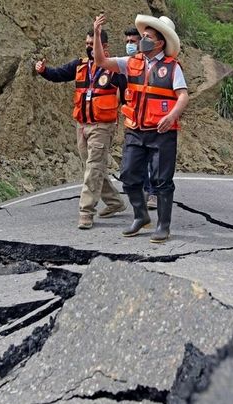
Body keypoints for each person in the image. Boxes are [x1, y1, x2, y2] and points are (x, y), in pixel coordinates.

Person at [93, 13, 189, 243]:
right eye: (142, 35)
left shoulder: (172, 67)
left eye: (147, 36)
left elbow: (183, 96)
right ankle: (140, 216)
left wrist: (171, 115)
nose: (142, 39)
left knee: (162, 180)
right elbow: (101, 62)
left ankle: (163, 226)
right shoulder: (132, 62)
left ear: (160, 42)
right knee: (128, 175)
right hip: (135, 129)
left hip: (162, 132)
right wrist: (97, 34)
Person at [35, 30, 127, 229]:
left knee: (94, 167)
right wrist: (43, 70)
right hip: (82, 125)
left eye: (93, 43)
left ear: (105, 47)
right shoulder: (80, 65)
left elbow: (129, 95)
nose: (89, 47)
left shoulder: (115, 69)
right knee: (92, 167)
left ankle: (86, 212)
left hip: (103, 126)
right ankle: (115, 202)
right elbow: (58, 74)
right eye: (87, 43)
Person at [124, 27, 157, 210]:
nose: (130, 45)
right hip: (134, 121)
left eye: (133, 41)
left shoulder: (156, 64)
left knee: (153, 159)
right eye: (128, 41)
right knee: (134, 162)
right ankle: (145, 189)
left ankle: (153, 192)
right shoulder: (128, 64)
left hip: (153, 121)